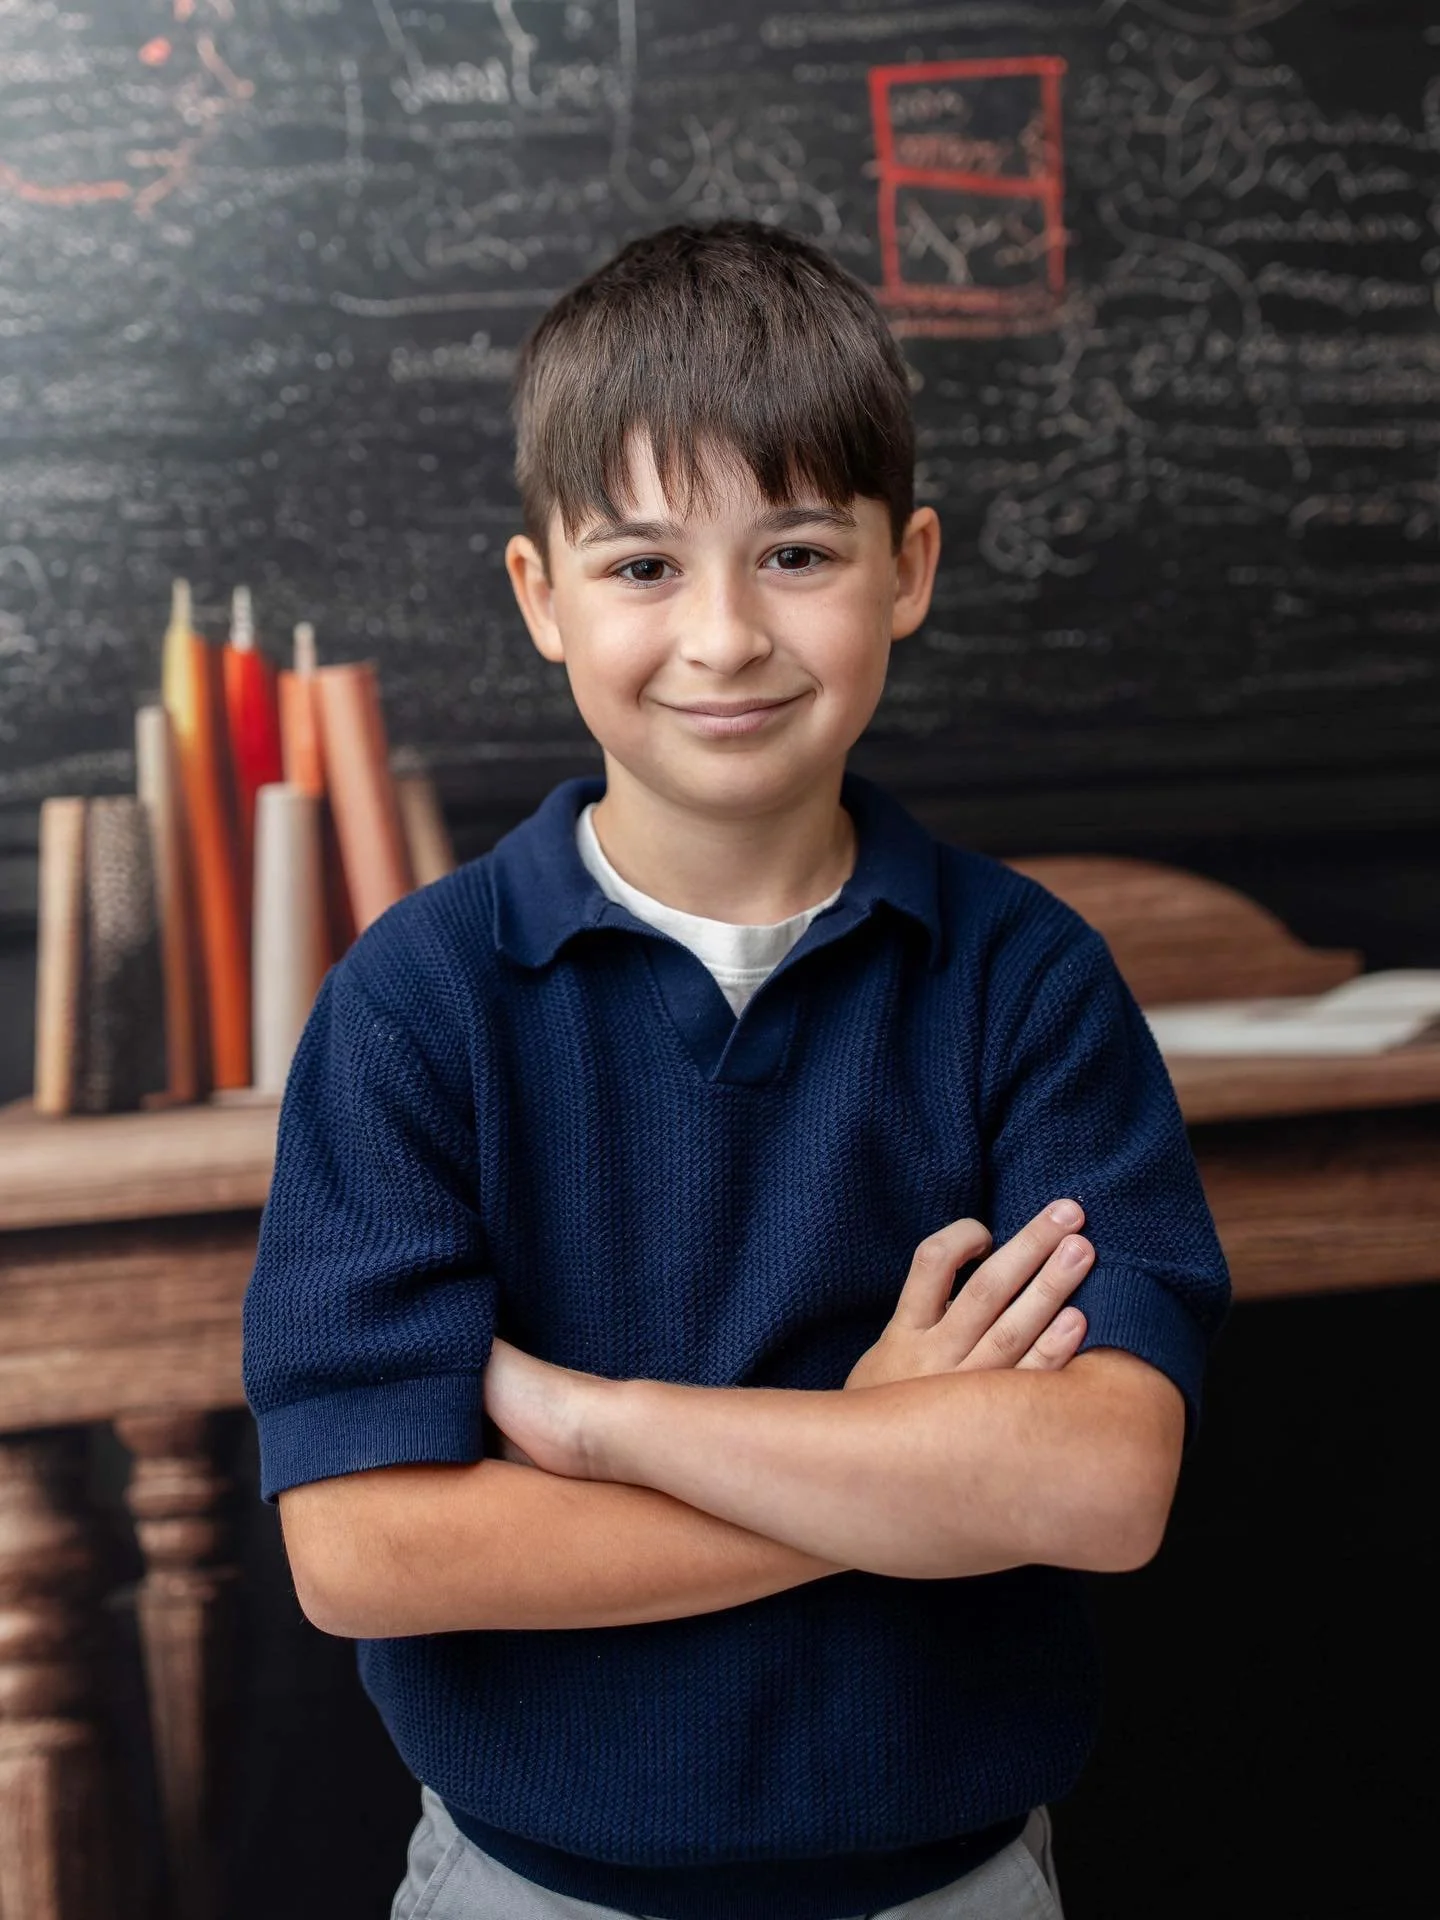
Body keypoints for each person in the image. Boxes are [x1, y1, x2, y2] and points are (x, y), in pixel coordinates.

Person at [242, 217, 1232, 1920]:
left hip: (955, 1886)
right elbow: (365, 1549)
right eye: (639, 565)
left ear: (907, 567)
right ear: (540, 599)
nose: (720, 638)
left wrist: (606, 1428)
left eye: (794, 554)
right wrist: (876, 1453)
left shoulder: (1028, 983)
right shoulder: (418, 1000)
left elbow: (1102, 1482)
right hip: (523, 1887)